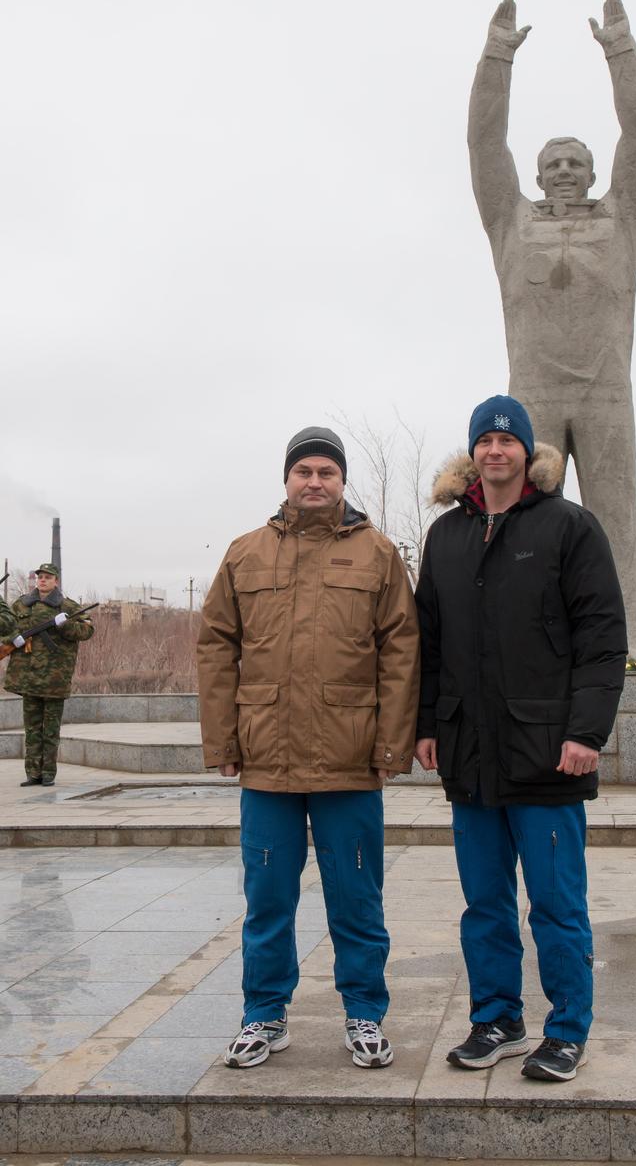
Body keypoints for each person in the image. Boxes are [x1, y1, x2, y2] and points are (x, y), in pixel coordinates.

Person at [415, 396, 627, 1081]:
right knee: (483, 904)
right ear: (472, 453)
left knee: (557, 905)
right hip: (469, 755)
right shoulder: (445, 536)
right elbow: (429, 642)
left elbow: (601, 640)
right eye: (485, 441)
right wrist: (425, 725)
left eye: (508, 441)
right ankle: (497, 1018)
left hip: (547, 756)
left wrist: (586, 731)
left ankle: (565, 1029)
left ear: (526, 453)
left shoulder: (569, 527)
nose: (495, 451)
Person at [198, 426, 419, 1071]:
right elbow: (215, 647)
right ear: (287, 479)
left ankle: (365, 1014)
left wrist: (391, 746)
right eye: (304, 472)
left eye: (327, 471)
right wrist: (224, 741)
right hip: (267, 761)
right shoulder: (246, 554)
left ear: (342, 481)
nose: (315, 482)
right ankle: (263, 1015)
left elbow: (402, 652)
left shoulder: (378, 555)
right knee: (267, 898)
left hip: (350, 761)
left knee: (356, 897)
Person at [467, 0, 636, 659]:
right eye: (553, 163)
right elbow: (483, 143)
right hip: (532, 403)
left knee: (615, 529)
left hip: (606, 395)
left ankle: (626, 649)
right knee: (524, 531)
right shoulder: (510, 222)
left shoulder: (622, 216)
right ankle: (524, 646)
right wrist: (497, 56)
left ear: (595, 172)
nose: (564, 170)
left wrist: (620, 50)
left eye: (576, 161)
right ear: (538, 174)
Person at [4, 563, 95, 787]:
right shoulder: (22, 604)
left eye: (47, 577)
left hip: (54, 678)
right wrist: (12, 639)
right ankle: (32, 773)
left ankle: (48, 774)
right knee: (32, 729)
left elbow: (87, 631)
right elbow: (6, 626)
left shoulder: (68, 606)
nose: (42, 580)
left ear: (56, 581)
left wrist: (64, 626)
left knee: (50, 729)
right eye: (40, 577)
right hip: (28, 676)